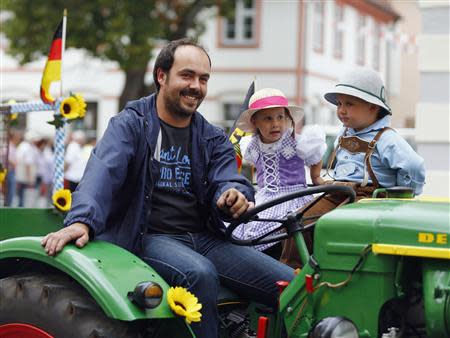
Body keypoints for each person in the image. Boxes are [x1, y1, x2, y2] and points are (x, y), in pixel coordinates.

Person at [41, 38, 294, 338]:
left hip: (205, 237)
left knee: (291, 285)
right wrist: (82, 220)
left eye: (203, 79)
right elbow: (103, 171)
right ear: (161, 76)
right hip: (147, 234)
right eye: (186, 75)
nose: (196, 86)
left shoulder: (210, 136)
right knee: (198, 274)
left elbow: (228, 177)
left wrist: (233, 194)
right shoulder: (131, 124)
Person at [280, 67, 426, 268]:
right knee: (299, 220)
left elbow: (413, 165)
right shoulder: (345, 132)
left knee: (334, 225)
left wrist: (400, 196)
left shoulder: (387, 139)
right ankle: (290, 272)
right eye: (339, 103)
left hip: (369, 198)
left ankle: (330, 273)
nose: (341, 110)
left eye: (349, 104)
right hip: (339, 190)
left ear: (373, 107)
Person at [232, 88, 327, 259]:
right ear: (255, 122)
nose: (275, 123)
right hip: (266, 196)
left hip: (293, 195)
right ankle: (264, 261)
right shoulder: (252, 145)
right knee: (251, 227)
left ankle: (287, 260)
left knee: (289, 225)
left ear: (287, 119)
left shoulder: (295, 142)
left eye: (280, 117)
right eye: (268, 118)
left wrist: (315, 177)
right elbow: (255, 169)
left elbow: (317, 155)